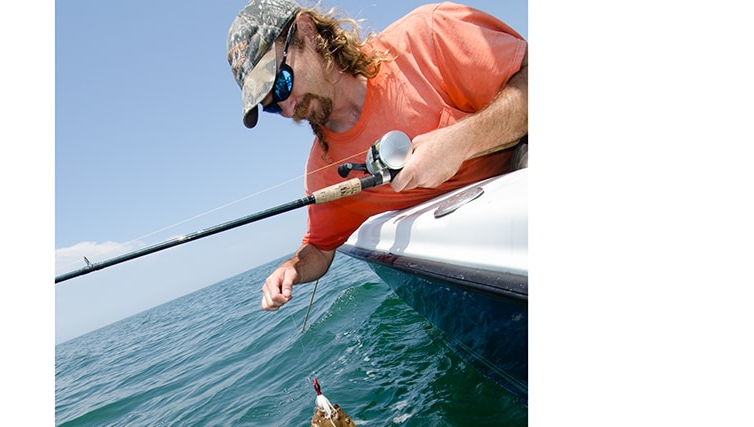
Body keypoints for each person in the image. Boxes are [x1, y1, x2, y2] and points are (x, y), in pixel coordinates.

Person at [226, 0, 528, 311]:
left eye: (282, 83)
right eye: (272, 105)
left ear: (307, 31)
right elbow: (319, 247)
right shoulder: (323, 171)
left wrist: (463, 141)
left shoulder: (429, 35)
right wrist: (292, 267)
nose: (287, 108)